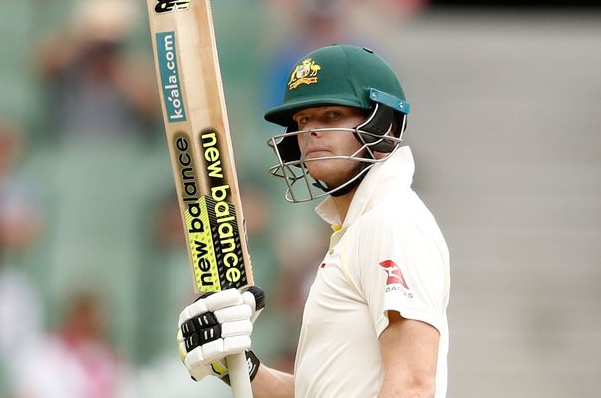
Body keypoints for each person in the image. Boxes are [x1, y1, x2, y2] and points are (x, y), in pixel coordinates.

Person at [176, 44, 451, 397]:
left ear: (383, 123)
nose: (311, 132)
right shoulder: (356, 229)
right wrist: (240, 367)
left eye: (332, 116)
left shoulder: (391, 221)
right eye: (304, 120)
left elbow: (413, 385)